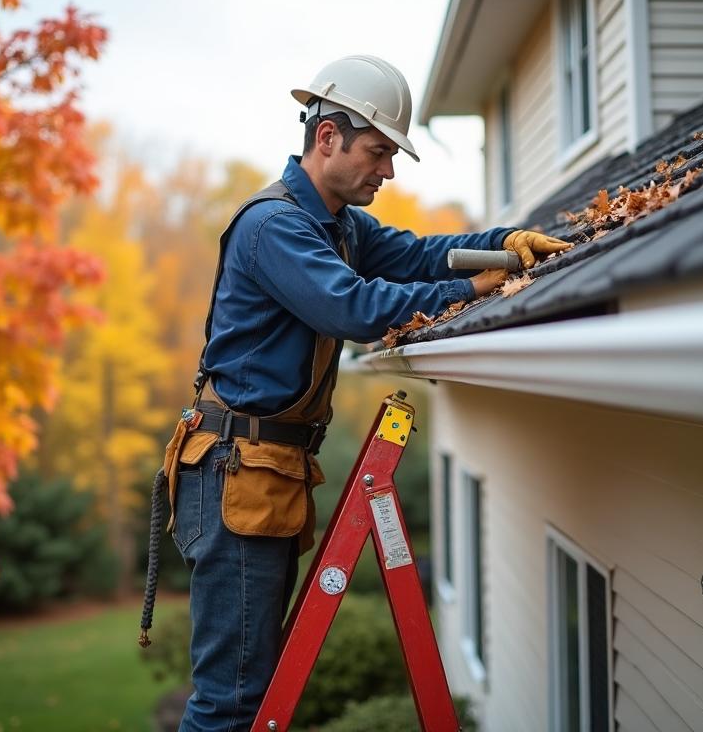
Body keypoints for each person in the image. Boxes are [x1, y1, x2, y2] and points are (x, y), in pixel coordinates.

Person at [168, 54, 570, 731]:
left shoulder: (341, 226)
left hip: (265, 471)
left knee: (251, 693)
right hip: (236, 472)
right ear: (328, 137)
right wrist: (468, 290)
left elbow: (418, 256)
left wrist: (504, 245)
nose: (388, 171)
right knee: (230, 700)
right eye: (378, 152)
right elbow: (353, 309)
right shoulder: (275, 226)